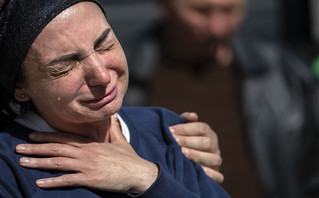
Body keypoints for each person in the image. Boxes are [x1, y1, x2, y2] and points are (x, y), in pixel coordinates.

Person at [0, 0, 230, 197]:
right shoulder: (8, 167)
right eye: (66, 65)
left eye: (105, 45)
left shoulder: (166, 130)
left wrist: (147, 177)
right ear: (20, 86)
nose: (101, 75)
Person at [123, 0, 319, 197]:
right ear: (163, 7)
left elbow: (312, 170)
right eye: (201, 11)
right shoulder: (121, 76)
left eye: (229, 10)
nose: (217, 27)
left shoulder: (283, 72)